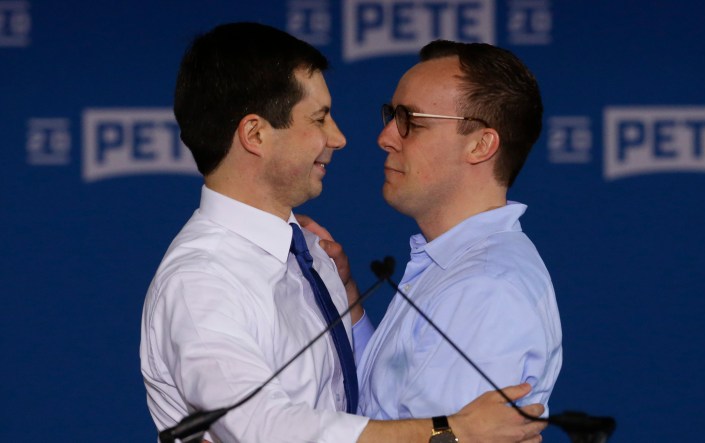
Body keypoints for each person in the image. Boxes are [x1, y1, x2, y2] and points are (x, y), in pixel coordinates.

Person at [139, 22, 546, 443]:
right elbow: (261, 427)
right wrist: (449, 432)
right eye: (320, 118)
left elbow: (361, 403)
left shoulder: (314, 256)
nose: (340, 138)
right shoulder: (201, 280)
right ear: (256, 134)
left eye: (410, 120)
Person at [307, 40, 562, 428]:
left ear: (480, 145)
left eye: (411, 120)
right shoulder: (458, 266)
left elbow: (435, 436)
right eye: (391, 115)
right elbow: (387, 406)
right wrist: (349, 300)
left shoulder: (485, 288)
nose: (385, 137)